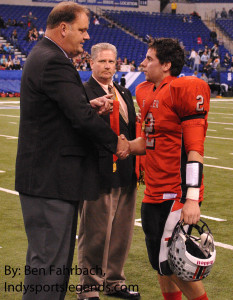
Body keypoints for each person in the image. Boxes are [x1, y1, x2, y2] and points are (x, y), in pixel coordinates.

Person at [15, 2, 130, 300]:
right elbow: (79, 118)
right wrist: (115, 142)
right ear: (63, 28)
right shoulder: (53, 60)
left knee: (53, 264)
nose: (86, 36)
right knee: (49, 266)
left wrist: (88, 105)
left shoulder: (47, 55)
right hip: (49, 180)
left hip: (52, 179)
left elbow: (65, 110)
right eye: (81, 30)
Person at [128, 38, 210, 300]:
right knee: (160, 264)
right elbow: (149, 142)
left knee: (174, 262)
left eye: (149, 58)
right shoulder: (145, 90)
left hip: (176, 193)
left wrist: (192, 199)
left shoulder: (184, 88)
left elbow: (195, 151)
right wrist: (126, 147)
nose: (143, 63)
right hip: (153, 189)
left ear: (166, 65)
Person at [77, 43, 140, 300]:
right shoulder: (83, 92)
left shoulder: (124, 91)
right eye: (102, 61)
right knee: (95, 233)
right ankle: (89, 287)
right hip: (98, 171)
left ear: (117, 64)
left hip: (126, 171)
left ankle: (115, 280)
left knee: (122, 232)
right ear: (91, 63)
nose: (107, 66)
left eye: (111, 62)